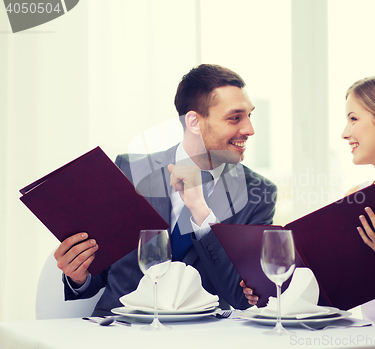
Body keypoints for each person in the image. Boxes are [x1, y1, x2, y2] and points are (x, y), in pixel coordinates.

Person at [242, 73, 375, 333]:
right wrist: (268, 288)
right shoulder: (356, 196)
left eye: (353, 119)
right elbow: (332, 288)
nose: (345, 133)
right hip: (369, 338)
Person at [55, 64, 277, 316]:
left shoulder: (259, 193)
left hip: (205, 336)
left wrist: (201, 213)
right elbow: (100, 274)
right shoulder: (130, 171)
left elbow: (241, 298)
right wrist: (78, 276)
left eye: (250, 115)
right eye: (235, 117)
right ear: (193, 121)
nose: (249, 129)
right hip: (119, 331)